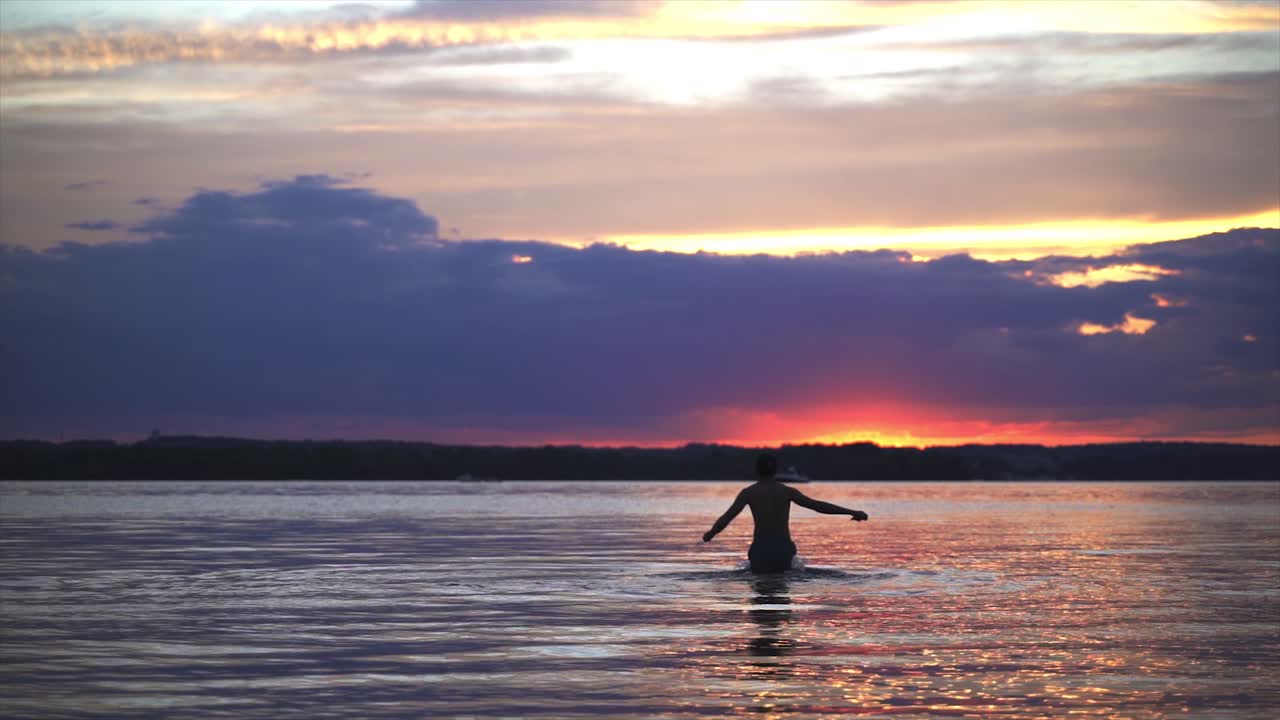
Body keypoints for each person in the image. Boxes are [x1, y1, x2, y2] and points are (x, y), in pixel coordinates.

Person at [702, 453, 868, 572]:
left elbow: (727, 517)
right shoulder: (787, 491)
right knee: (782, 586)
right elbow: (817, 506)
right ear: (775, 471)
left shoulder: (749, 493)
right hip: (783, 548)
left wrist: (711, 533)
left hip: (761, 549)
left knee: (761, 591)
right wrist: (852, 511)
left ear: (757, 470)